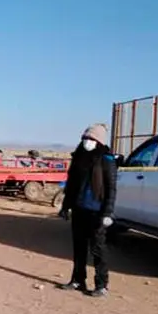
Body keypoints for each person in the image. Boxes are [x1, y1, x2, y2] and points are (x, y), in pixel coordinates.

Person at [57, 123, 117, 297]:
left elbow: (111, 188)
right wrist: (65, 206)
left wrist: (107, 213)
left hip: (96, 211)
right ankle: (77, 280)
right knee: (79, 247)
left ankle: (101, 284)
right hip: (79, 208)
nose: (86, 142)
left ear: (98, 141)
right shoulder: (79, 158)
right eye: (84, 138)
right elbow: (72, 185)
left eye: (90, 139)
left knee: (98, 248)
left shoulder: (106, 160)